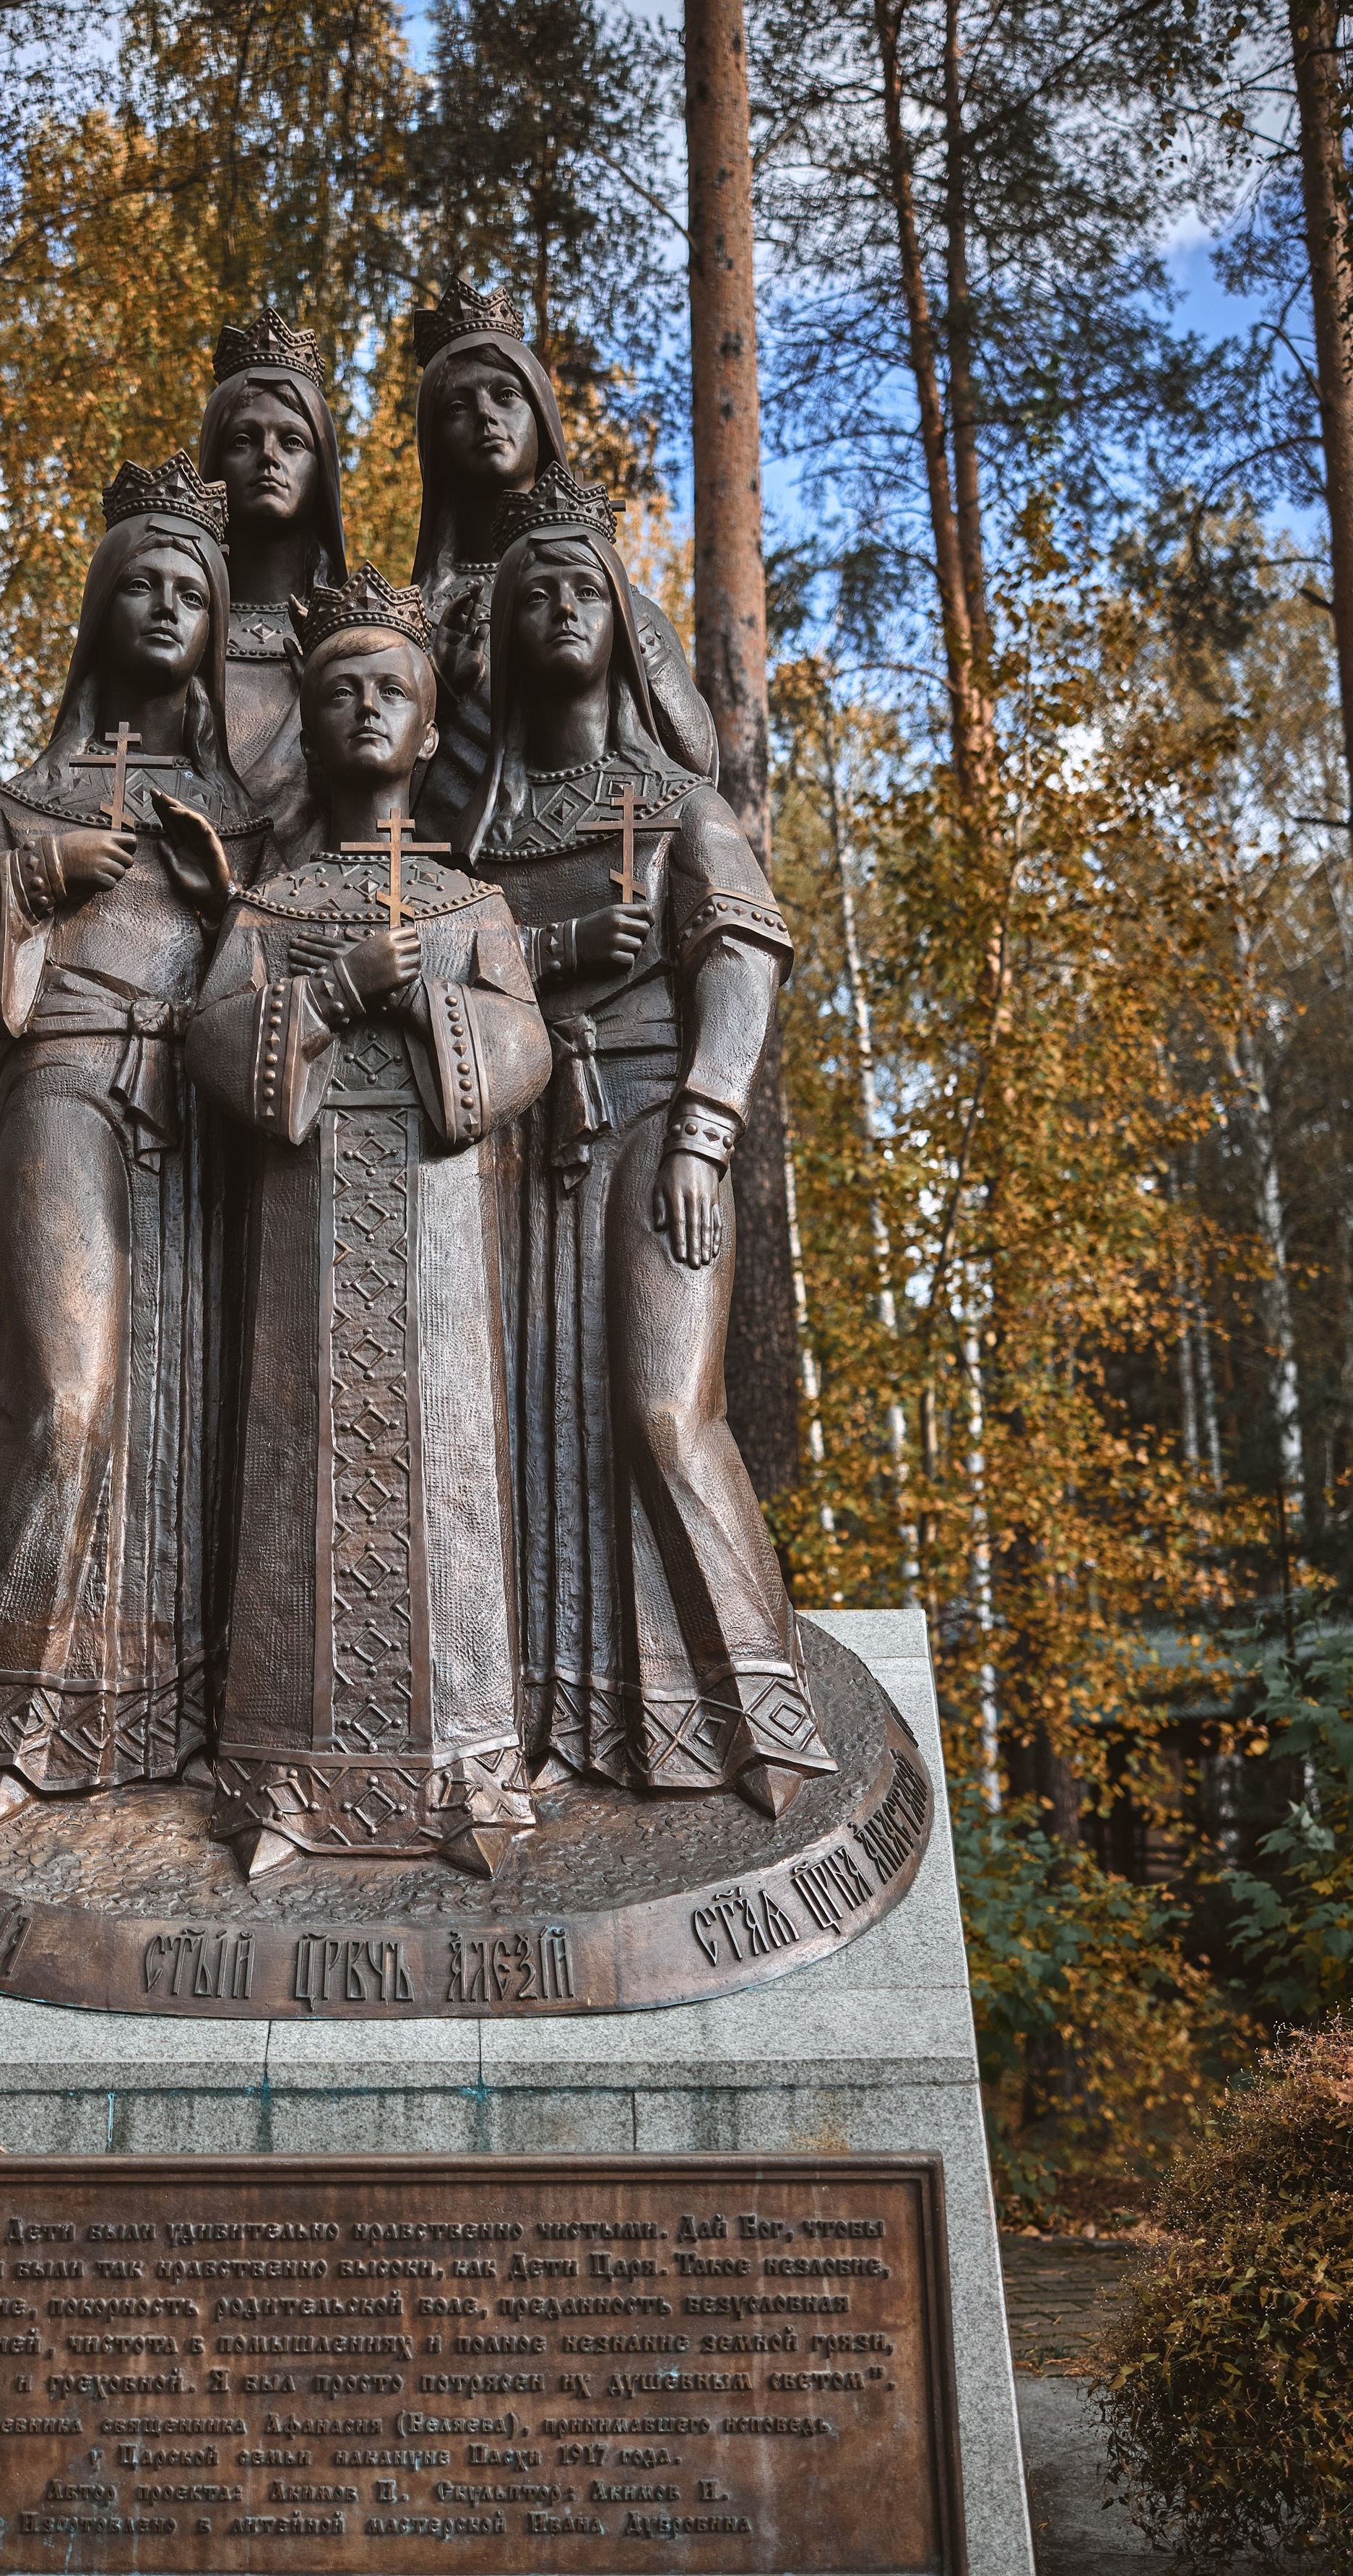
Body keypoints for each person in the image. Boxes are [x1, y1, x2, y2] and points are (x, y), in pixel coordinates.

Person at [459, 464, 834, 1817]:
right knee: (523, 1430)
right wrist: (546, 958)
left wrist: (706, 1132)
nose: (561, 606)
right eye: (534, 592)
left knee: (667, 1414)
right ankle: (576, 1715)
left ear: (624, 622)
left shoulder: (675, 804)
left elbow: (742, 958)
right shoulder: (475, 828)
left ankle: (765, 1718)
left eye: (584, 588)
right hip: (511, 1149)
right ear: (498, 633)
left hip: (655, 1132)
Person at [0, 452, 267, 1830]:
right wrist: (38, 876)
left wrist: (236, 901)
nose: (167, 607)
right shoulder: (32, 793)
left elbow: (292, 964)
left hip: (208, 1120)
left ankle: (167, 1708)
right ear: (103, 609)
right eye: (144, 586)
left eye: (192, 591)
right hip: (67, 1083)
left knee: (200, 1414)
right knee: (69, 1396)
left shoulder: (241, 811)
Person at [185, 566, 552, 1876]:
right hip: (305, 1245)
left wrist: (431, 1007)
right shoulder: (273, 908)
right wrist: (336, 986)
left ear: (430, 726)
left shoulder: (471, 904)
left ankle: (464, 1778)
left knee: (443, 1483)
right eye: (335, 688)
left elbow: (524, 1047)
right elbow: (213, 1040)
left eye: (387, 688)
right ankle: (287, 1774)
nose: (359, 708)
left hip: (442, 1250)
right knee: (299, 1472)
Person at [409, 275, 714, 832]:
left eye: (506, 396)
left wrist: (629, 631)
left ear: (541, 416)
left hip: (611, 857)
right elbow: (386, 804)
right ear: (435, 440)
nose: (485, 417)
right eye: (458, 406)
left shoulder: (615, 602)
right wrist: (440, 691)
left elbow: (696, 763)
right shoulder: (417, 619)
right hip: (463, 881)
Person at [196, 306, 348, 858]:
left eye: (292, 442)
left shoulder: (351, 637)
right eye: (243, 440)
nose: (268, 457)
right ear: (214, 459)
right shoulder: (180, 625)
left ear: (322, 467)